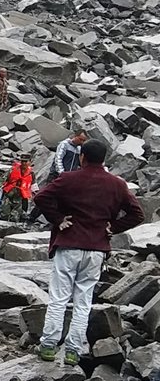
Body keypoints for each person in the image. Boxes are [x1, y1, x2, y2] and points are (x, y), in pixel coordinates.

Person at [33, 138, 143, 364]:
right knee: (83, 302)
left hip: (69, 244)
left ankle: (48, 345)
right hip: (96, 248)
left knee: (58, 298)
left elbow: (41, 197)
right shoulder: (117, 184)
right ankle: (73, 350)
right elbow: (137, 214)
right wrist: (113, 227)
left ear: (82, 156)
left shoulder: (68, 179)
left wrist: (58, 219)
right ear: (104, 159)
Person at [0, 152, 34, 222]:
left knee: (15, 217)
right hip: (8, 195)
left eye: (26, 161)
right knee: (4, 215)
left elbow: (33, 185)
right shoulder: (12, 169)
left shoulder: (31, 173)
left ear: (30, 162)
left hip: (20, 197)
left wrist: (35, 195)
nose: (24, 163)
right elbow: (2, 180)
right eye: (22, 161)